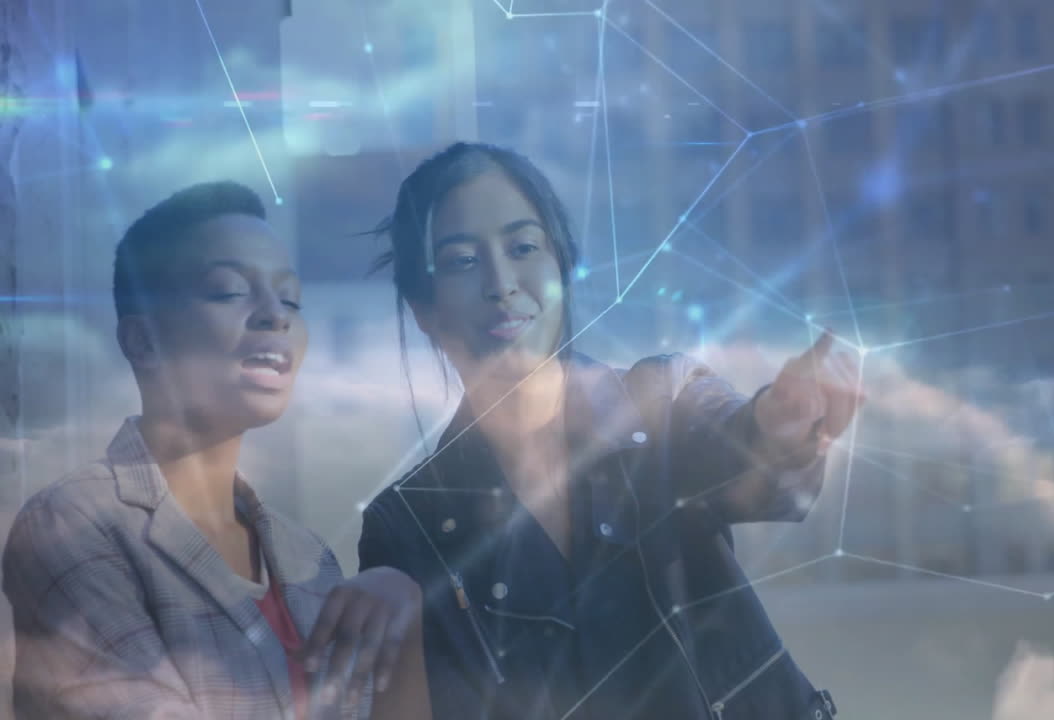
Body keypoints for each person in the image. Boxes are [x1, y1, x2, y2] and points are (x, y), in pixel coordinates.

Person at [358, 142, 860, 719]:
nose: (501, 282)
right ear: (425, 308)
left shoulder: (660, 401)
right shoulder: (406, 524)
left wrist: (780, 422)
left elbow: (747, 457)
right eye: (462, 261)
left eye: (524, 247)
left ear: (561, 268)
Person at [3, 181, 427, 719]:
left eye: (290, 298)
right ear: (141, 341)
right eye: (229, 291)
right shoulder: (75, 524)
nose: (276, 315)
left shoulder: (310, 560)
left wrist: (406, 621)